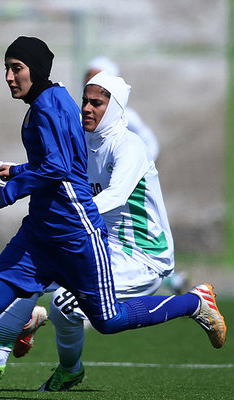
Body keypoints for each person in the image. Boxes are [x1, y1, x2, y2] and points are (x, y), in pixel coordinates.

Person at [0, 36, 226, 399]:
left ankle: (193, 303)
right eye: (6, 68)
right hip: (39, 234)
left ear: (35, 70)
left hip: (75, 235)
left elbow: (56, 169)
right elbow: (56, 164)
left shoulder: (62, 113)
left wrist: (7, 193)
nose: (8, 76)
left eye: (16, 68)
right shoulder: (50, 105)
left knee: (107, 320)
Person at [0, 70, 196, 391]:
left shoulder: (129, 146)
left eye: (96, 103)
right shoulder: (83, 142)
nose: (87, 108)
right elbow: (44, 172)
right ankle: (0, 353)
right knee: (29, 274)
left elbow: (115, 196)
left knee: (64, 304)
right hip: (97, 243)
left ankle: (195, 303)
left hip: (142, 256)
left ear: (114, 107)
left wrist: (66, 219)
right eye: (85, 101)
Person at [86, 56, 188, 296]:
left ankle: (177, 290)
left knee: (137, 235)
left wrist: (133, 168)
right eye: (88, 75)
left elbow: (149, 142)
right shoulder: (88, 122)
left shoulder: (125, 119)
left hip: (122, 188)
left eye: (97, 73)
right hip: (104, 194)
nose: (91, 78)